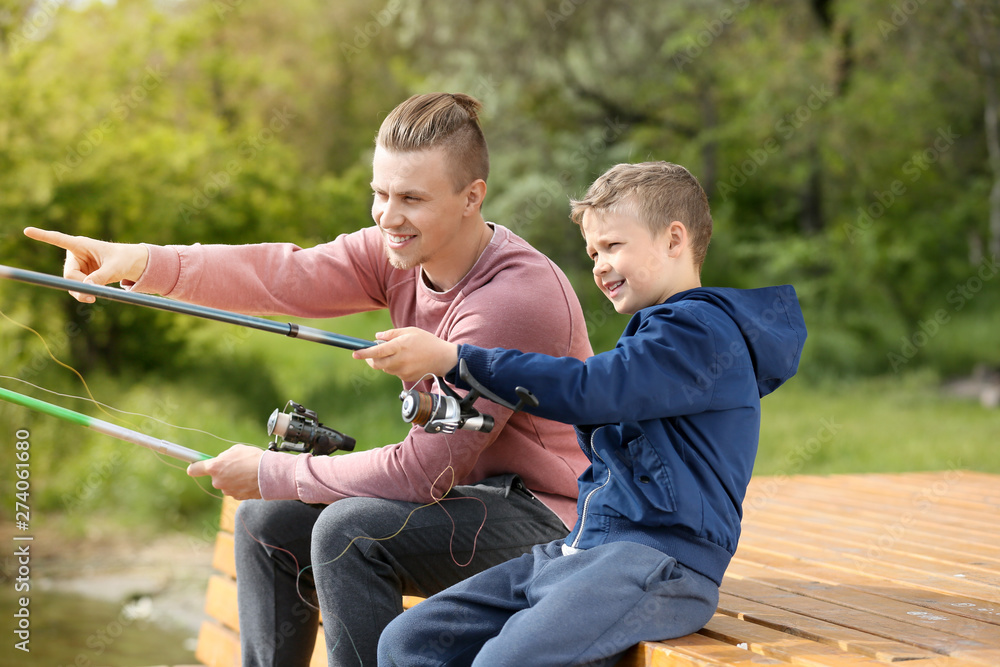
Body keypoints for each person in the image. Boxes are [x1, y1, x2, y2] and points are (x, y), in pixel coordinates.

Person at [24, 92, 594, 667]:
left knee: (349, 534)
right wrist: (140, 261)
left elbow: (423, 470)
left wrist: (276, 469)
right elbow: (283, 275)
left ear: (472, 198)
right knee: (264, 522)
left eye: (411, 199)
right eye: (380, 193)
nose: (387, 217)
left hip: (554, 521)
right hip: (471, 499)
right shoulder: (402, 253)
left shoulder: (509, 299)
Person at [356, 161, 808, 666]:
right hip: (584, 551)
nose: (598, 265)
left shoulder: (699, 334)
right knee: (407, 641)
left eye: (613, 246)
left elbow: (590, 387)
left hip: (660, 563)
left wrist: (455, 359)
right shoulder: (658, 336)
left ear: (674, 239)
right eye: (593, 252)